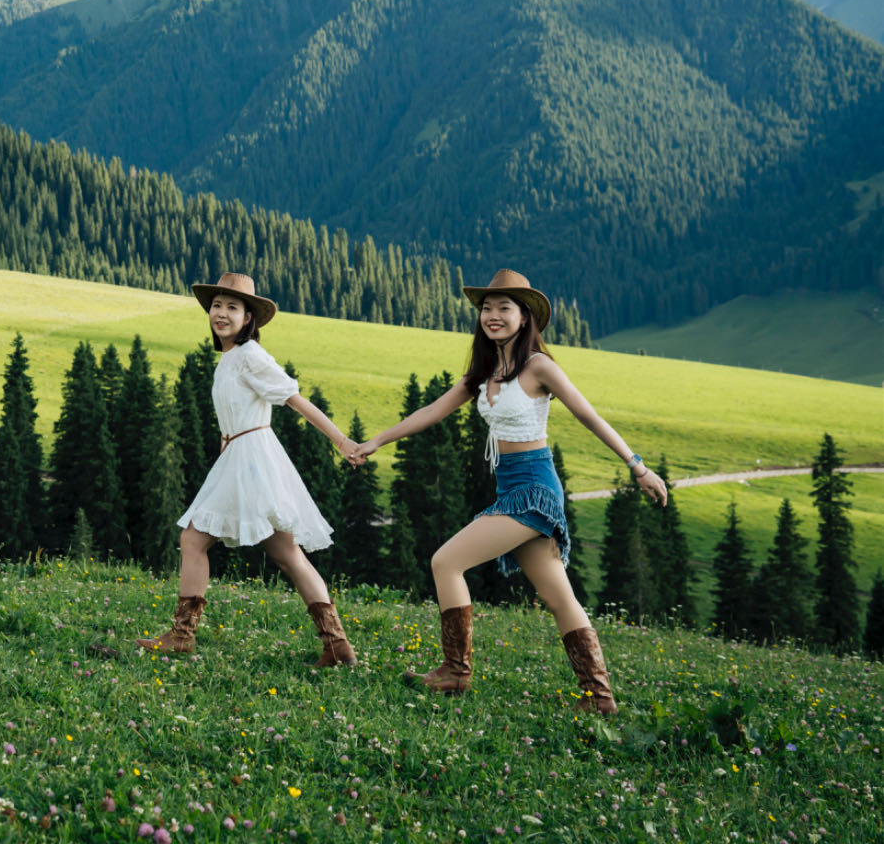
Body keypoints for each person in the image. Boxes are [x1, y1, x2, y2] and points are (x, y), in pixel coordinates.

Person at [348, 269, 668, 714]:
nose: (493, 316)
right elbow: (431, 412)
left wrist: (638, 467)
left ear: (525, 317)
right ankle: (599, 697)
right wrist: (376, 441)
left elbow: (589, 416)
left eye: (504, 308)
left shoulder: (538, 366)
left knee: (446, 561)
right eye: (486, 308)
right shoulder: (482, 373)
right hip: (512, 486)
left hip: (534, 488)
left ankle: (456, 671)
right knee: (559, 597)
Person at [135, 272, 361, 666]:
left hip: (252, 459)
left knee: (194, 540)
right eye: (217, 306)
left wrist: (341, 441)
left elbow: (294, 398)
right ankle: (337, 646)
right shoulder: (230, 358)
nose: (221, 314)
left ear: (248, 318)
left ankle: (183, 635)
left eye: (232, 308)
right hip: (240, 457)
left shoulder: (251, 357)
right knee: (287, 554)